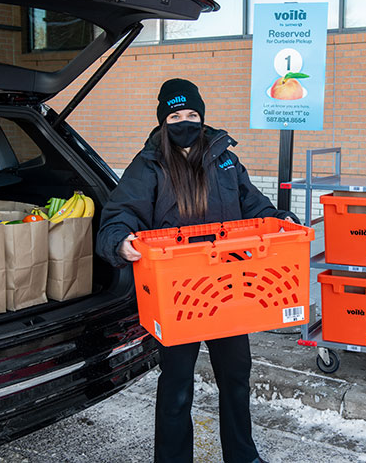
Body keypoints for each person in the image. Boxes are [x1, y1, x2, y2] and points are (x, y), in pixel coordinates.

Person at [96, 78, 298, 463]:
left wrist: (278, 220)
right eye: (176, 115)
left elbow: (253, 206)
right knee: (176, 387)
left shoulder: (224, 158)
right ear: (163, 120)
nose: (185, 121)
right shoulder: (149, 164)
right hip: (179, 295)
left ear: (202, 116)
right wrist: (120, 242)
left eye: (192, 114)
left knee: (236, 380)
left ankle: (243, 455)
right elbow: (118, 215)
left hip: (230, 288)